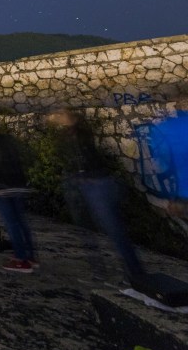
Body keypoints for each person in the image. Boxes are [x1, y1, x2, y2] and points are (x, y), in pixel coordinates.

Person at [47, 108, 145, 279]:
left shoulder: (81, 132)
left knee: (113, 229)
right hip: (80, 183)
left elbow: (83, 152)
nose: (56, 117)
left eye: (60, 114)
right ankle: (100, 270)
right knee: (86, 231)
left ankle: (135, 272)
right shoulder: (65, 135)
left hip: (96, 183)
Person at [0, 116, 37, 273]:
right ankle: (30, 256)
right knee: (21, 221)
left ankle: (21, 259)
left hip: (0, 187)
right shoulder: (9, 140)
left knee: (11, 223)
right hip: (18, 184)